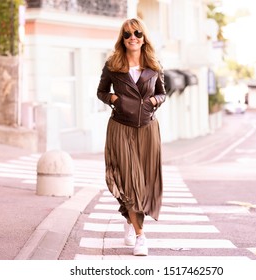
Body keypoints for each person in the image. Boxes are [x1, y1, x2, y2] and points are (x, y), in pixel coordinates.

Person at [97, 18, 166, 256]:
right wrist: (115, 100)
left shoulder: (155, 65)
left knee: (144, 185)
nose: (133, 37)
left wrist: (154, 101)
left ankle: (129, 219)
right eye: (127, 34)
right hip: (120, 128)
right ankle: (140, 236)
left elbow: (162, 93)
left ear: (144, 37)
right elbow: (102, 92)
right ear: (123, 39)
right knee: (129, 182)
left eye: (137, 33)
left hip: (148, 130)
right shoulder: (113, 63)